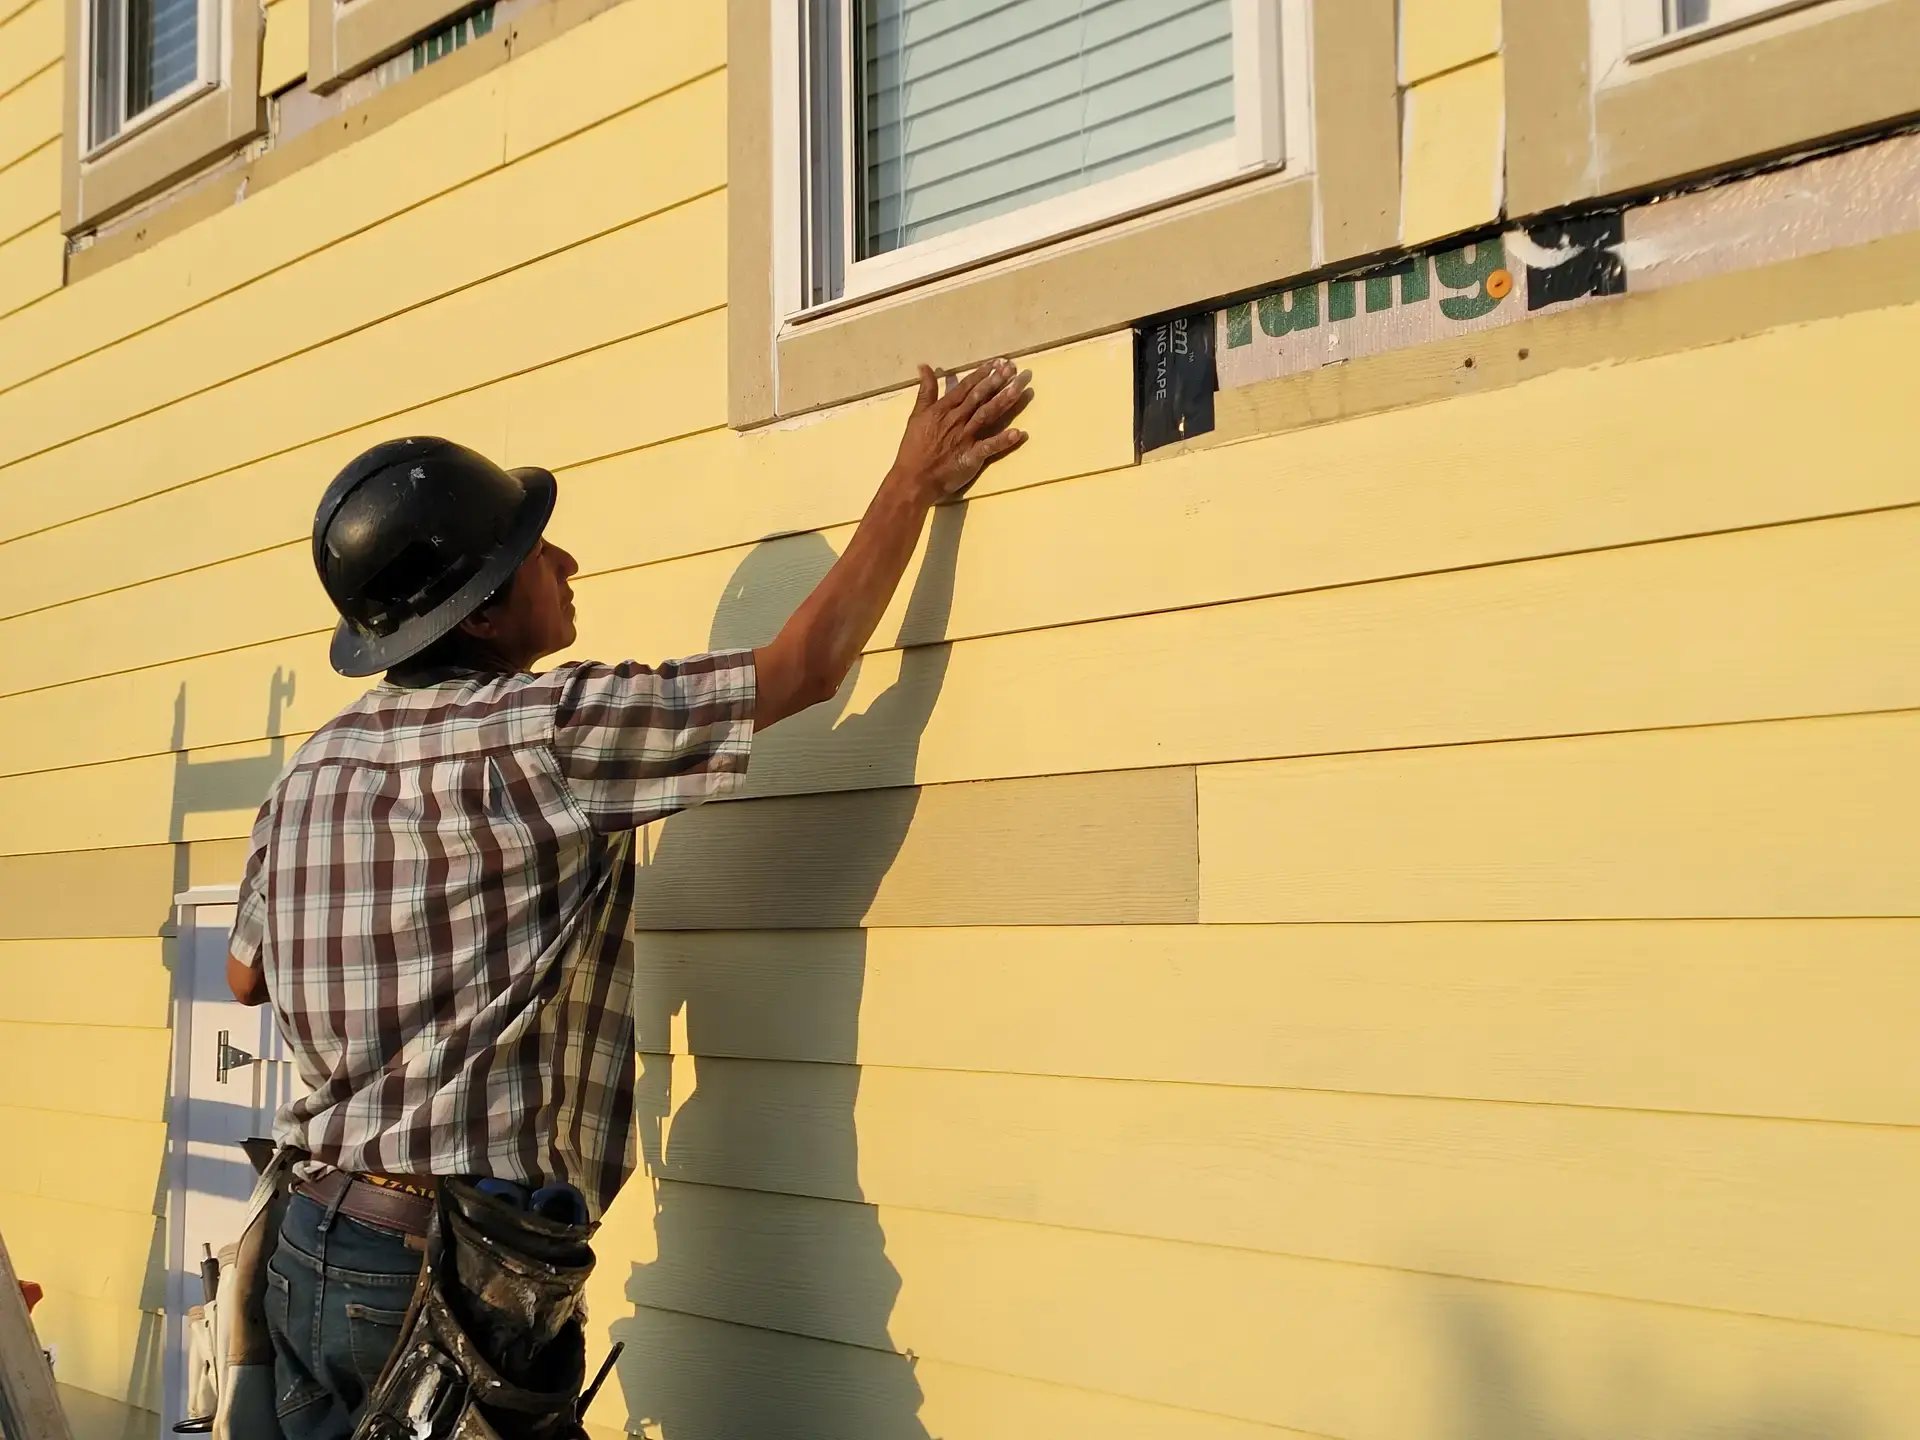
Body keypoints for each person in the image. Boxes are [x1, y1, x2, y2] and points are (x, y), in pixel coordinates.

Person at [223, 358, 1034, 1440]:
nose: (563, 559)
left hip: (306, 1244)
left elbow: (244, 975)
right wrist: (910, 482)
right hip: (441, 1277)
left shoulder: (311, 770)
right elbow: (806, 666)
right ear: (474, 616)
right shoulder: (547, 733)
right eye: (528, 552)